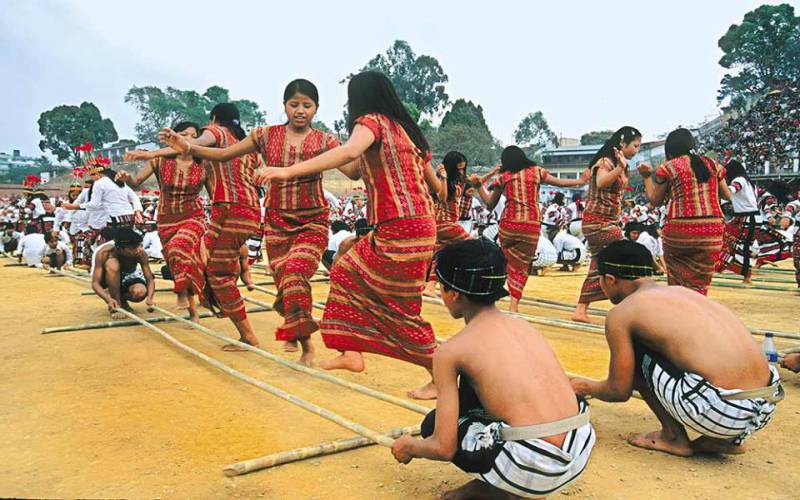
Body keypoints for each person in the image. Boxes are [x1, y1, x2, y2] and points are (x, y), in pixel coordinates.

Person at [253, 71, 444, 398]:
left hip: (400, 226)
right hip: (414, 225)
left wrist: (285, 170)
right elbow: (436, 188)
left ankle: (439, 374)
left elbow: (348, 154)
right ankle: (351, 351)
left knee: (399, 308)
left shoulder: (371, 122)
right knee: (344, 270)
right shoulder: (407, 131)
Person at [160, 81, 359, 364]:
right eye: (294, 105)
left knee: (296, 272)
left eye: (307, 105)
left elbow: (352, 171)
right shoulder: (264, 135)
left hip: (312, 220)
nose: (300, 111)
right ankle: (295, 322)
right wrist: (187, 146)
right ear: (284, 106)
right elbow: (223, 154)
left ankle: (307, 348)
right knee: (286, 282)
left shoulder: (325, 141)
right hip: (277, 222)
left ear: (316, 108)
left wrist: (366, 146)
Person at [391, 239, 595, 499]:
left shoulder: (452, 351)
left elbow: (443, 446)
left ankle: (505, 486)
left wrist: (410, 446)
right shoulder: (524, 327)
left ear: (454, 294)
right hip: (580, 446)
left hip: (537, 466)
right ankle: (497, 481)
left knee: (433, 424)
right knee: (484, 401)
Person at [571, 240, 781, 457]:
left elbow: (618, 390)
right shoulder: (682, 292)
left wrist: (584, 387)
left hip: (721, 411)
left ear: (610, 280)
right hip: (763, 409)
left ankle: (672, 437)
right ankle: (724, 440)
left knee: (637, 349)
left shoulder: (624, 312)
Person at [135, 103, 261, 350]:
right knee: (210, 264)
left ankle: (247, 335)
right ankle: (212, 300)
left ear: (214, 119)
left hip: (230, 210)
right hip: (249, 211)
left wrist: (181, 143)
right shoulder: (247, 146)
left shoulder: (216, 133)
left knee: (218, 275)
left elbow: (204, 140)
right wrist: (155, 156)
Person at [474, 146, 586, 313]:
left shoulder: (504, 177)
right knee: (522, 266)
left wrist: (478, 186)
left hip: (508, 225)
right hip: (530, 226)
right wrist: (582, 180)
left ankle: (491, 293)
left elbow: (489, 203)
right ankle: (514, 304)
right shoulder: (537, 171)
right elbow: (562, 183)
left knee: (506, 261)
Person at [119, 121, 209, 323]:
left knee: (180, 248)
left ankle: (187, 293)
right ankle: (191, 308)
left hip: (193, 216)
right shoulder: (158, 160)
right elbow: (136, 182)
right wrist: (126, 178)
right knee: (174, 259)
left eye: (193, 136)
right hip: (166, 219)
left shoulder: (205, 163)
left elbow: (214, 194)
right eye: (183, 134)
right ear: (174, 137)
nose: (187, 138)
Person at [638, 128, 731, 295]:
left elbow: (655, 200)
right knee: (701, 282)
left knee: (677, 279)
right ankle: (697, 307)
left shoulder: (670, 167)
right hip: (712, 230)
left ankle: (679, 311)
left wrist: (646, 176)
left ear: (670, 150)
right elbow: (727, 195)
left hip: (680, 229)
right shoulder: (712, 165)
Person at [572, 126, 642, 323]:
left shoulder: (620, 163)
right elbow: (602, 182)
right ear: (622, 143)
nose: (637, 150)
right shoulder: (606, 162)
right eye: (635, 145)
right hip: (598, 222)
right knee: (625, 255)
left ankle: (581, 309)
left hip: (608, 220)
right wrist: (619, 168)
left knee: (598, 265)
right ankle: (630, 303)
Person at [424, 150, 470, 297]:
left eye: (463, 168)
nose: (462, 171)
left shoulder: (458, 181)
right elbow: (442, 197)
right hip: (444, 223)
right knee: (473, 244)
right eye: (459, 168)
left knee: (440, 256)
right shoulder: (441, 179)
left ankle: (429, 288)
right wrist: (443, 179)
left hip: (446, 222)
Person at [90, 227, 156, 320]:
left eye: (138, 246)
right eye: (132, 248)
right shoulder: (104, 253)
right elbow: (95, 283)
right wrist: (108, 299)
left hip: (128, 278)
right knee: (112, 265)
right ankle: (117, 304)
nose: (137, 250)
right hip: (107, 280)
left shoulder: (140, 253)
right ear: (120, 248)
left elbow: (149, 279)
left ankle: (121, 299)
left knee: (140, 292)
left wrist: (150, 298)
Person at [716, 159, 760, 283]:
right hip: (748, 217)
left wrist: (718, 185)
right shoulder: (749, 182)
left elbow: (729, 192)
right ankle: (746, 274)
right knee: (741, 245)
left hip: (747, 218)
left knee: (741, 245)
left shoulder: (739, 180)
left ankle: (746, 275)